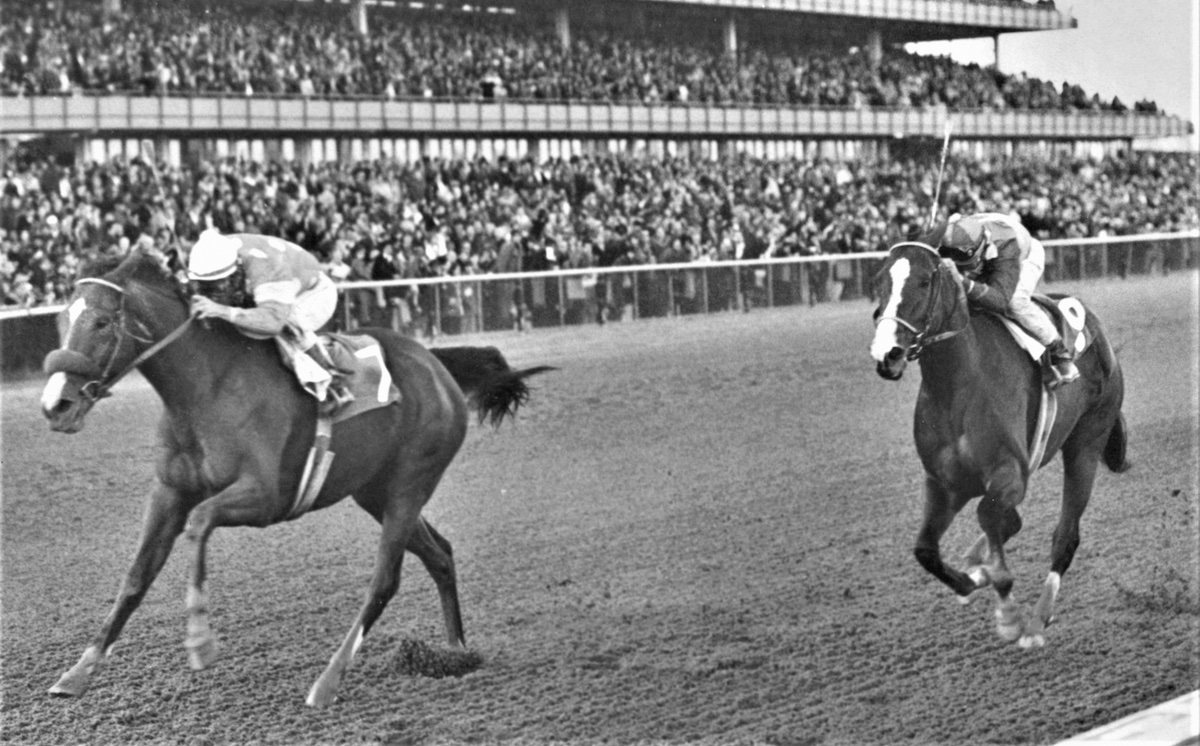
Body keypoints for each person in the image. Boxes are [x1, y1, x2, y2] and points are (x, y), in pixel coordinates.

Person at [187, 228, 355, 413]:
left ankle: (333, 384)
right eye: (205, 285)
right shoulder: (213, 251)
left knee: (287, 325)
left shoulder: (267, 268)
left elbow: (272, 322)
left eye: (218, 284)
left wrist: (222, 310)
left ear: (235, 269)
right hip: (281, 283)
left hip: (314, 294)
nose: (211, 292)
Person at [934, 212, 1080, 387]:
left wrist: (963, 281)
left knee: (1015, 302)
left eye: (969, 264)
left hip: (1025, 256)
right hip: (984, 249)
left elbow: (999, 300)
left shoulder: (1007, 247)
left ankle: (1058, 351)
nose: (966, 270)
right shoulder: (949, 237)